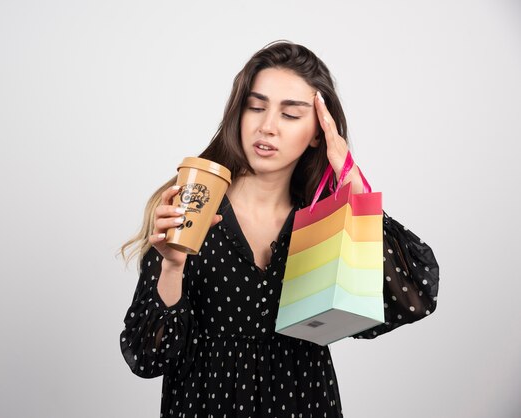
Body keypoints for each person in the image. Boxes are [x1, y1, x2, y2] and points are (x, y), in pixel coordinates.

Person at [119, 41, 439, 418]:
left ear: (318, 131)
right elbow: (148, 357)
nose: (267, 126)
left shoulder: (325, 221)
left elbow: (414, 294)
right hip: (204, 404)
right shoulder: (194, 202)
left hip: (304, 402)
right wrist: (172, 267)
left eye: (290, 115)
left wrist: (349, 177)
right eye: (256, 107)